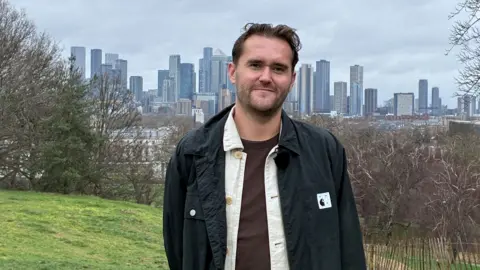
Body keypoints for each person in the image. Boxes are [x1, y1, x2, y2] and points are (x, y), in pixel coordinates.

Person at [163, 22, 367, 270]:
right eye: (255, 65)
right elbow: (178, 250)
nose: (266, 77)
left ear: (292, 80)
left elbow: (349, 246)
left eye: (278, 68)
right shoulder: (192, 152)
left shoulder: (324, 150)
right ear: (232, 71)